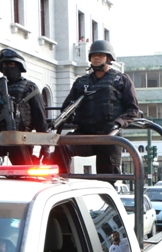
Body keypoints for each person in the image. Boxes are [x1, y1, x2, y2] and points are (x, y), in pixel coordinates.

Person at [56, 40, 140, 174]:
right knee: (62, 146)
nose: (96, 58)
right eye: (94, 55)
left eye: (101, 55)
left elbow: (133, 109)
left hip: (108, 136)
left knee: (107, 179)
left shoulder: (121, 80)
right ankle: (61, 184)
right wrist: (70, 116)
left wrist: (117, 124)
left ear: (109, 58)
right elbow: (66, 107)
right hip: (84, 135)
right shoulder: (81, 82)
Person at [0, 49, 48, 165]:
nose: (7, 68)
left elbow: (40, 120)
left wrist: (45, 147)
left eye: (11, 64)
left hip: (20, 138)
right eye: (4, 65)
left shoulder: (29, 88)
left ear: (19, 67)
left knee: (23, 176)